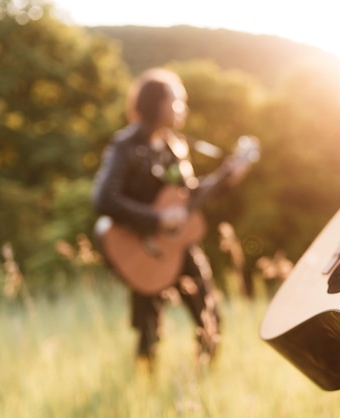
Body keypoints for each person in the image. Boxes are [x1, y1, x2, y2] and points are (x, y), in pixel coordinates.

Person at [92, 68, 248, 371]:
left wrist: (226, 178)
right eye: (177, 101)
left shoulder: (174, 146)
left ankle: (203, 380)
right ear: (157, 104)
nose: (182, 109)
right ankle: (142, 387)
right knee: (149, 327)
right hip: (139, 249)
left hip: (178, 247)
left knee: (210, 315)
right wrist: (155, 220)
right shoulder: (125, 146)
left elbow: (186, 196)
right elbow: (103, 199)